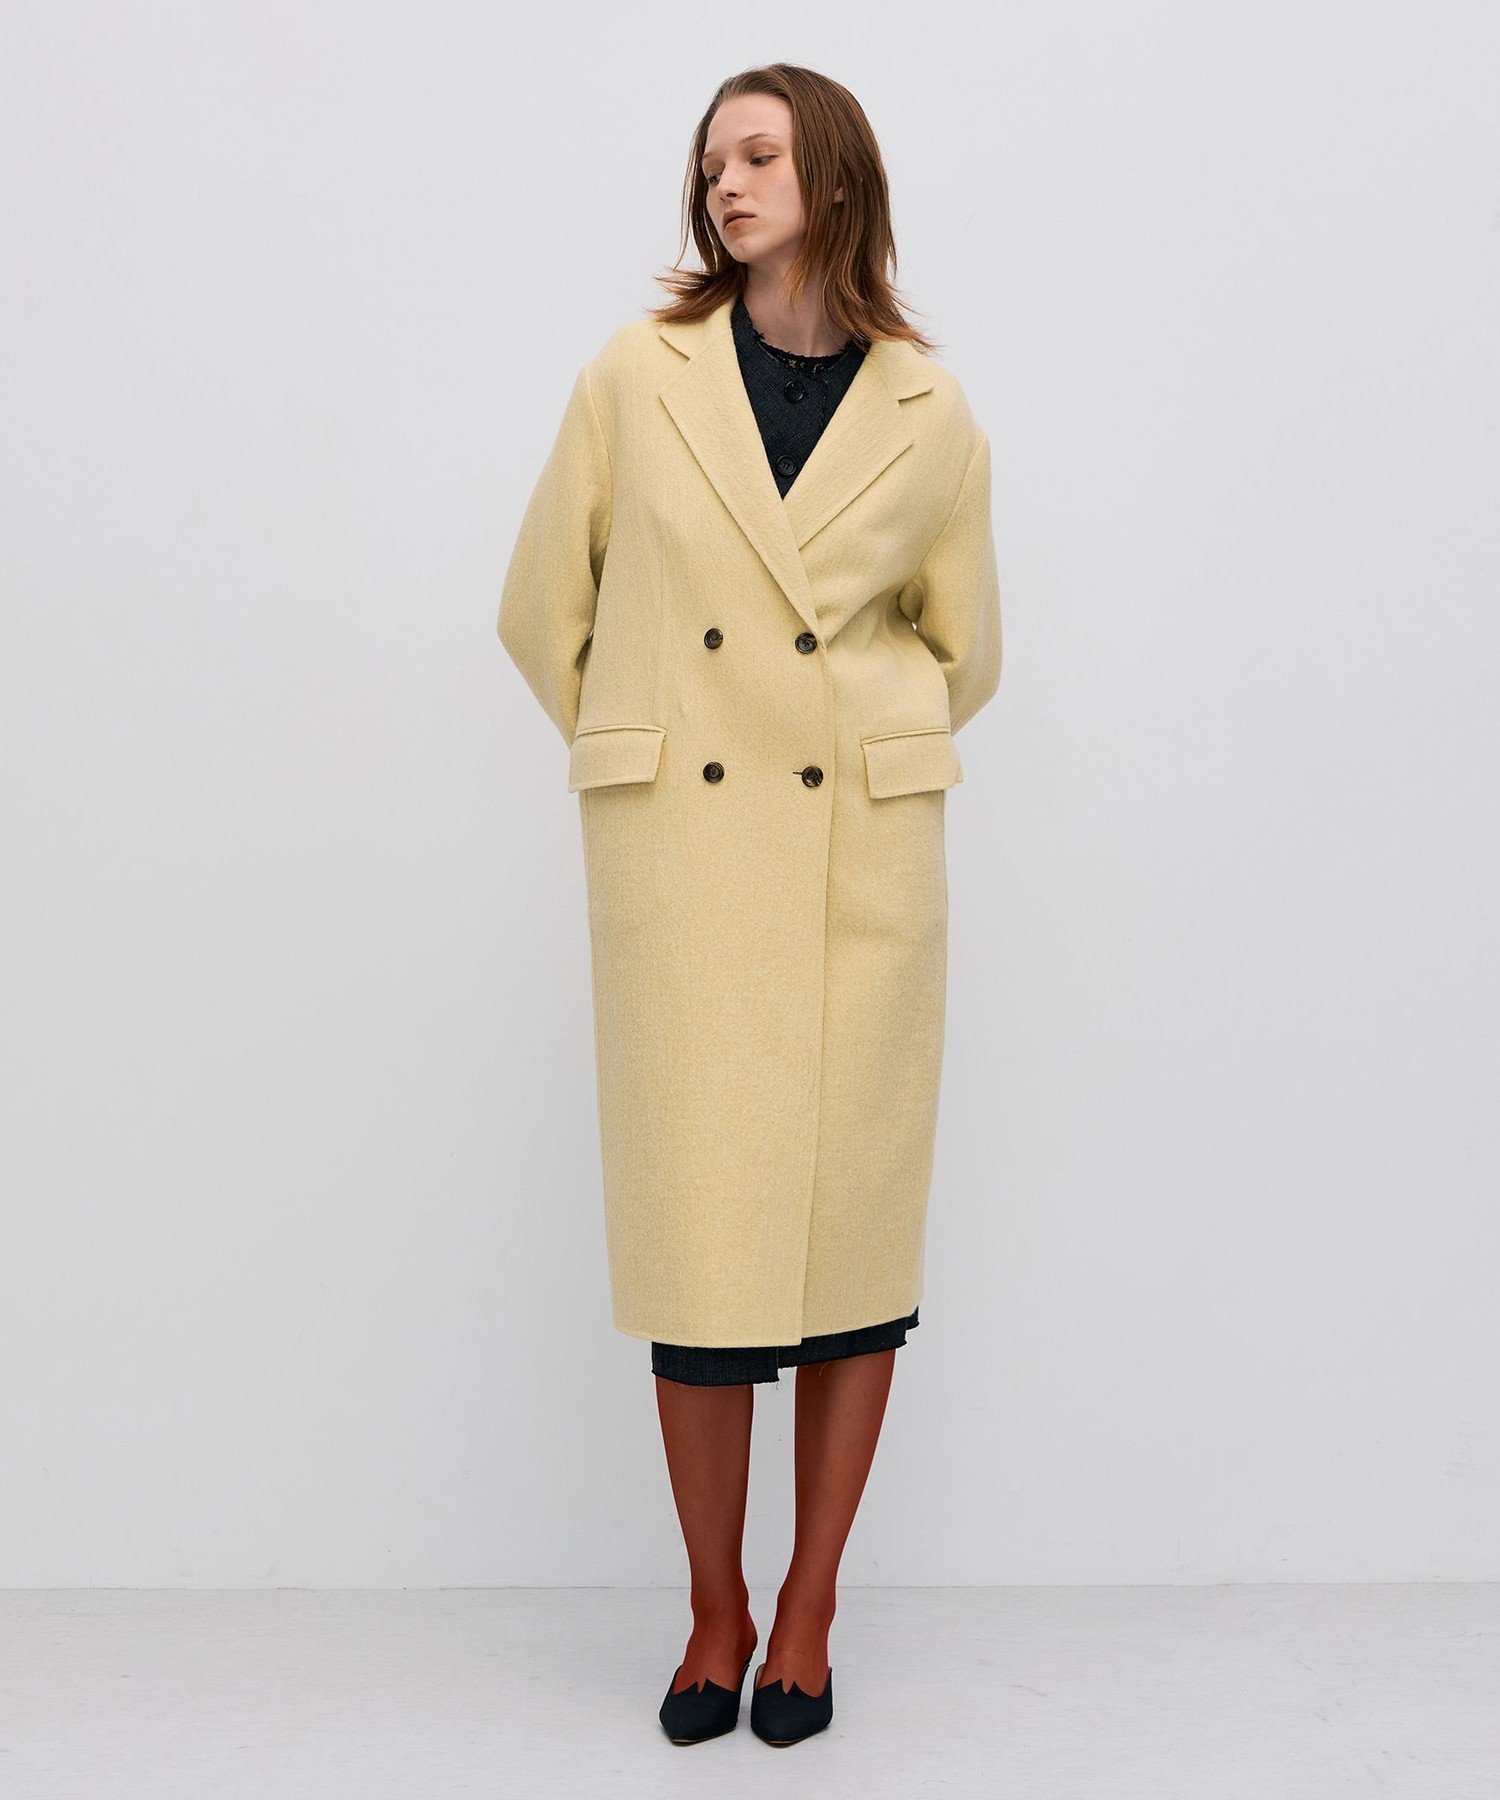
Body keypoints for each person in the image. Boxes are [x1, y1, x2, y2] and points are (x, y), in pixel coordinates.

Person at [497, 62, 1002, 1747]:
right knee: (702, 1259)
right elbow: (541, 607)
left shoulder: (930, 412)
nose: (726, 181)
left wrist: (862, 736)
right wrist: (646, 740)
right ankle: (713, 1606)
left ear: (832, 178)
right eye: (711, 160)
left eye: (760, 154)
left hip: (859, 870)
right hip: (690, 866)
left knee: (853, 1254)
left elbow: (966, 649)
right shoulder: (633, 380)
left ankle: (809, 1606)